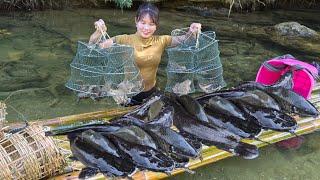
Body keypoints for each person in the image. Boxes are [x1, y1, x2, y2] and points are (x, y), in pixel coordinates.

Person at [89, 2, 201, 106]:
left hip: (151, 93)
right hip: (129, 94)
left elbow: (186, 39)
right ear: (136, 21)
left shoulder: (162, 41)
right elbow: (94, 47)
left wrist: (193, 30)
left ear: (156, 25)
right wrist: (99, 32)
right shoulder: (124, 40)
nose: (146, 28)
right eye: (143, 22)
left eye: (151, 24)